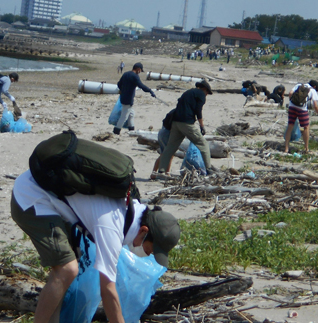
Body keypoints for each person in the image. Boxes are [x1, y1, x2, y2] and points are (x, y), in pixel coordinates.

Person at [11, 168, 181, 323]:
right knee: (67, 269)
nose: (148, 254)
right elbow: (107, 290)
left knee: (68, 269)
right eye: (149, 249)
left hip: (53, 199)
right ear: (144, 231)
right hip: (31, 197)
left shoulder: (132, 208)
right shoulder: (113, 226)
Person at [158, 80, 217, 175]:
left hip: (175, 122)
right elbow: (198, 111)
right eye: (207, 93)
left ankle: (161, 170)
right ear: (205, 89)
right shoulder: (201, 94)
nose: (206, 95)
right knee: (203, 144)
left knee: (170, 147)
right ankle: (209, 169)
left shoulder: (188, 92)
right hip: (186, 123)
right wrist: (202, 126)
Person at [114, 62, 156, 135]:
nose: (140, 72)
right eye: (140, 70)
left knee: (131, 114)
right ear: (138, 69)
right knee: (124, 117)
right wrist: (150, 91)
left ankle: (131, 129)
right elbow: (141, 86)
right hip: (128, 99)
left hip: (123, 97)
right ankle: (116, 131)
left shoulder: (125, 74)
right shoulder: (135, 76)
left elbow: (119, 84)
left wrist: (123, 90)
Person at [284, 80, 318, 154]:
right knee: (306, 127)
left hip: (292, 107)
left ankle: (286, 148)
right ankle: (306, 148)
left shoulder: (299, 85)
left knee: (290, 126)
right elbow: (315, 105)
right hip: (302, 109)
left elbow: (290, 93)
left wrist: (292, 102)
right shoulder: (312, 90)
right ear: (314, 86)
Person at [151, 109, 174, 179]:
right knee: (168, 154)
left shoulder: (174, 111)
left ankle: (154, 173)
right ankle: (166, 173)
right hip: (166, 134)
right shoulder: (180, 113)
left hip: (163, 132)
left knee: (164, 154)